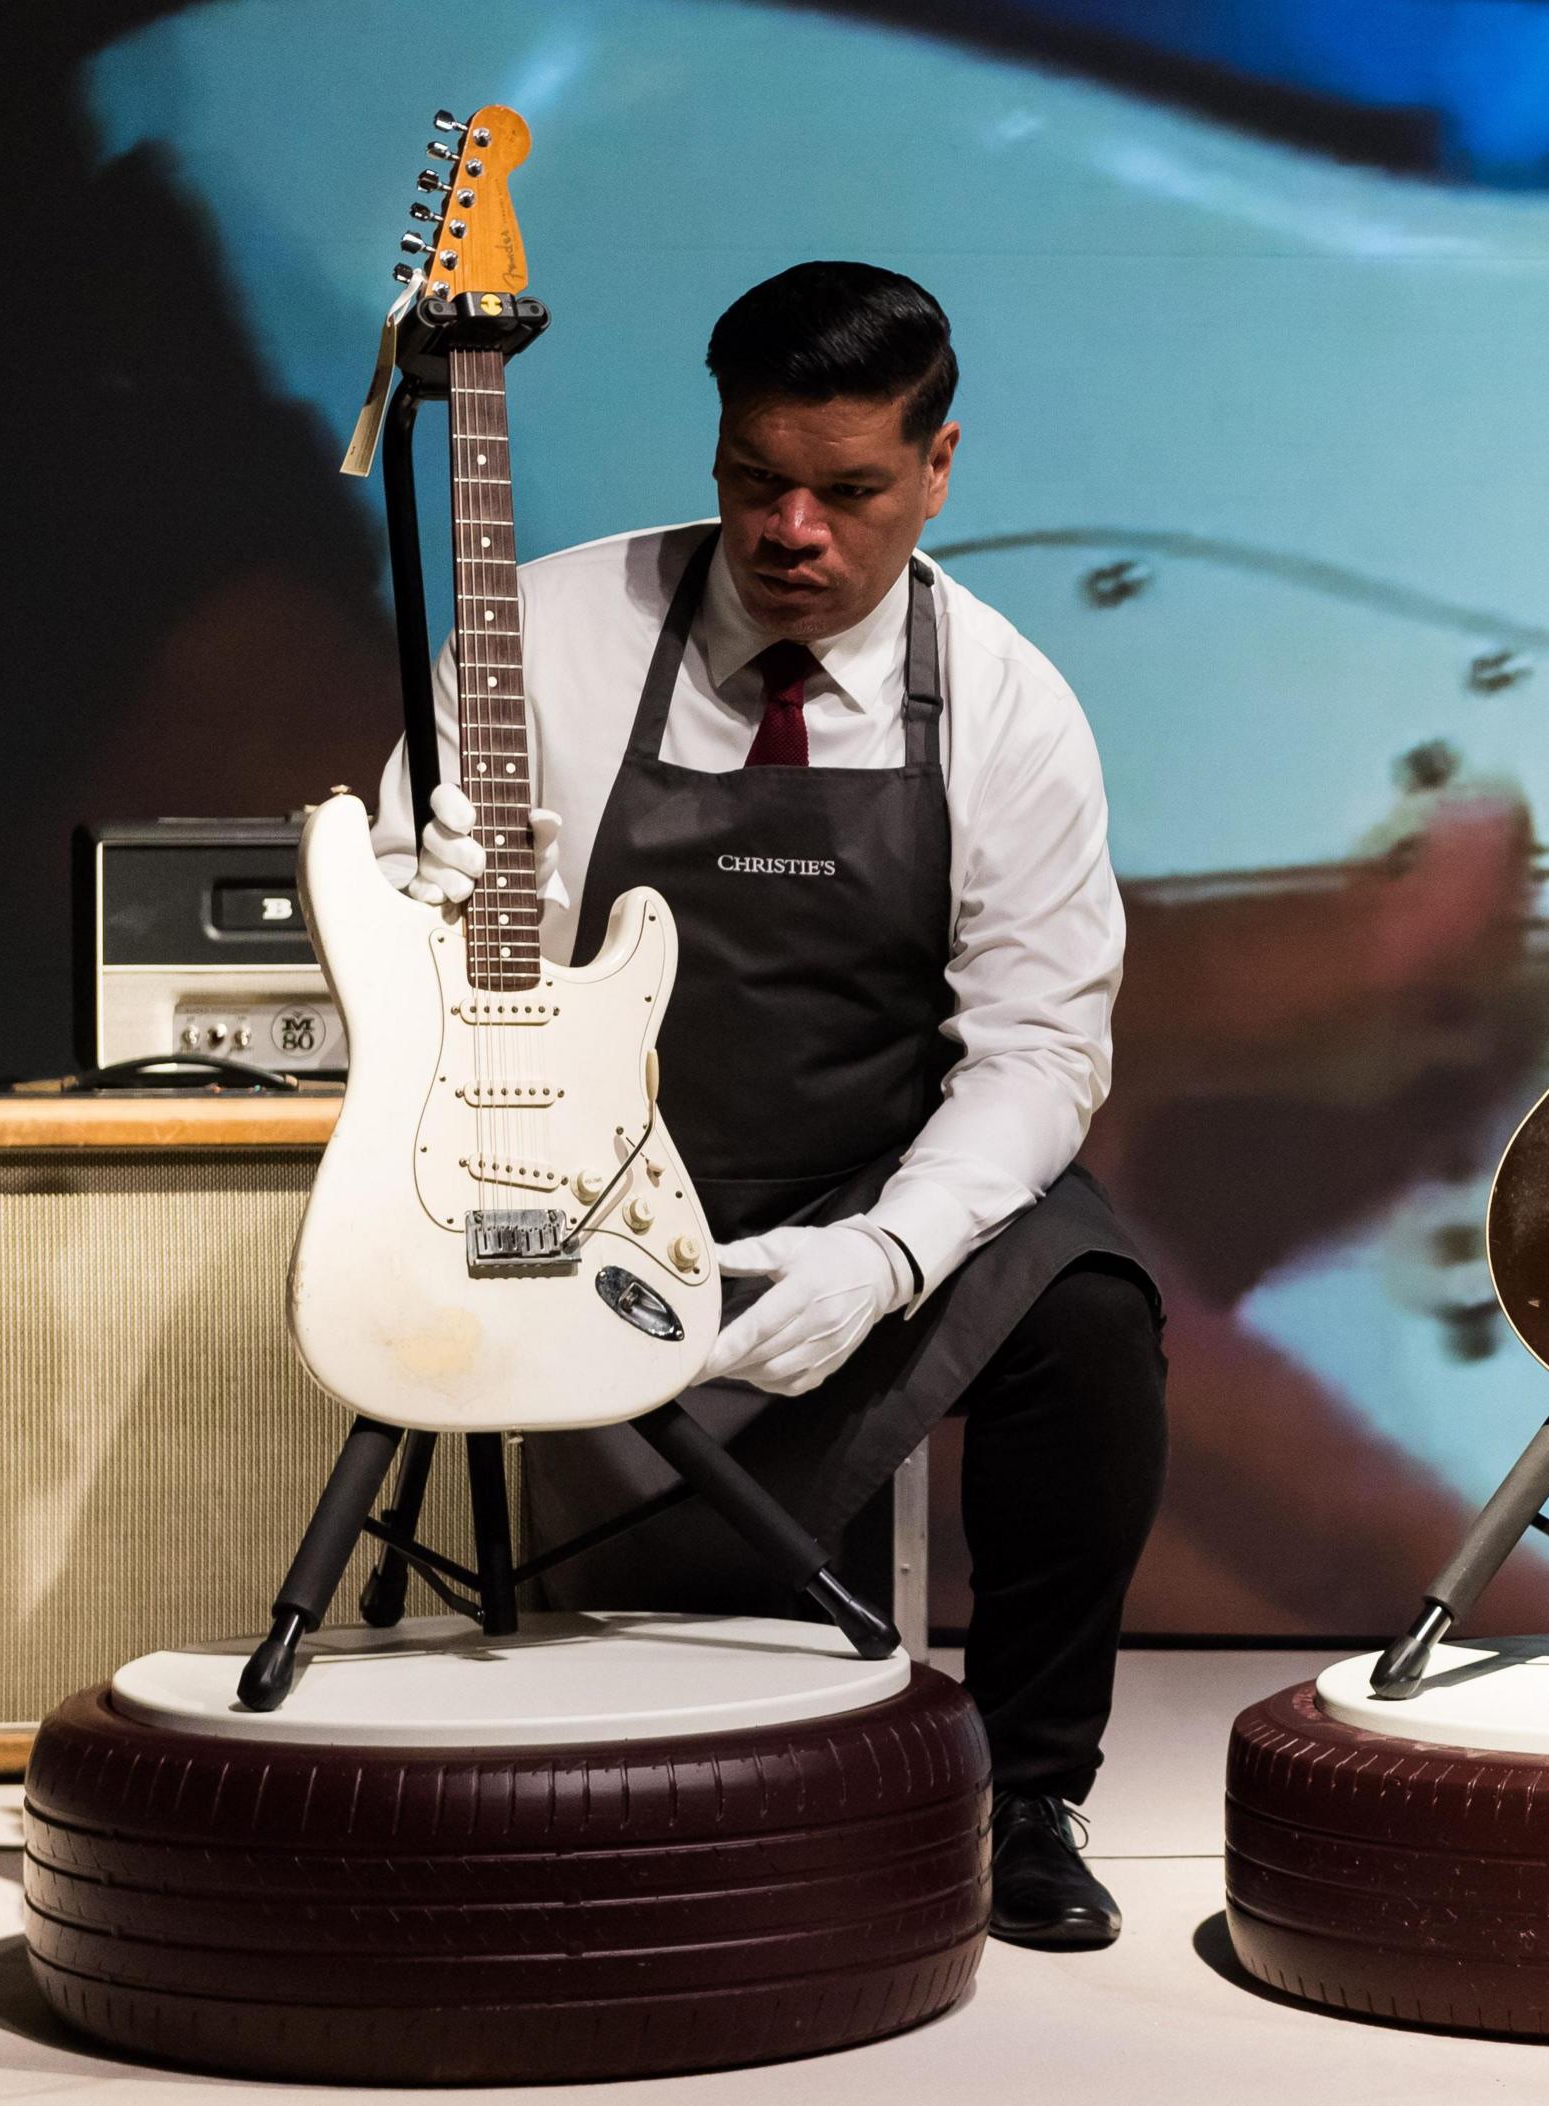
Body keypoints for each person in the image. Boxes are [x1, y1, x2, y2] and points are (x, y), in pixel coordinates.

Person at [377, 262, 1165, 1950]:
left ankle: (1029, 1790)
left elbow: (1037, 1047)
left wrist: (884, 1257)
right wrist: (414, 896)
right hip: (580, 1165)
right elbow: (403, 954)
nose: (790, 529)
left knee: (1091, 1323)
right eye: (753, 481)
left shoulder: (1012, 703)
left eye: (851, 491)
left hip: (875, 1173)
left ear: (940, 465)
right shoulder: (546, 632)